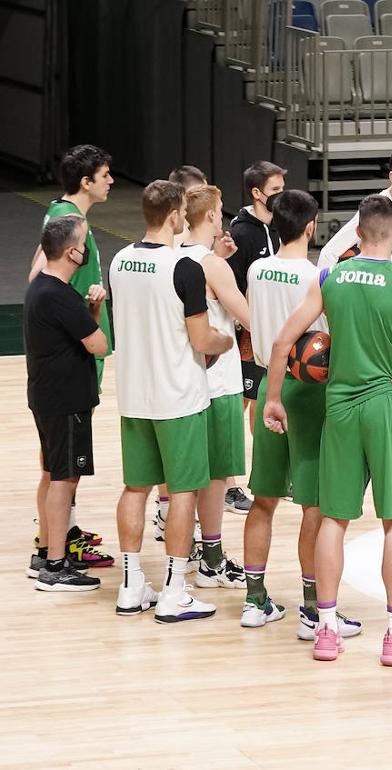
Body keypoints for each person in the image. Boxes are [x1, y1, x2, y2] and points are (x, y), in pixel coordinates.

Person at [264, 194, 392, 665]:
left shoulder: (329, 277)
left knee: (334, 518)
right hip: (389, 405)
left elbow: (285, 340)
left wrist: (271, 398)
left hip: (341, 407)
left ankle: (326, 629)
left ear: (356, 233)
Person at [110, 180, 234, 623]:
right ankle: (175, 589)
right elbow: (202, 338)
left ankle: (130, 586)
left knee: (135, 488)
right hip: (179, 396)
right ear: (175, 215)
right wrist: (226, 340)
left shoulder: (120, 260)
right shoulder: (184, 267)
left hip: (133, 394)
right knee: (183, 493)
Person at [242, 189, 363, 636]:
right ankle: (312, 611)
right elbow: (326, 339)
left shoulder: (256, 269)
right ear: (311, 227)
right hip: (308, 391)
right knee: (314, 505)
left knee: (264, 497)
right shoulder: (319, 276)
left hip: (265, 388)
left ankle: (255, 601)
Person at [317, 148, 392, 485]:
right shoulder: (375, 210)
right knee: (385, 389)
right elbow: (329, 253)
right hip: (380, 309)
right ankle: (378, 457)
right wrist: (332, 303)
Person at [26, 145, 116, 569]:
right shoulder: (66, 221)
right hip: (72, 358)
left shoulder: (69, 216)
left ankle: (59, 538)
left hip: (71, 355)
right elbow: (38, 276)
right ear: (86, 181)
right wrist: (74, 318)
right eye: (105, 174)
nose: (111, 180)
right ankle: (58, 548)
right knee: (62, 466)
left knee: (58, 462)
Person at [179, 185, 250, 590]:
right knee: (218, 477)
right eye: (220, 209)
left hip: (185, 381)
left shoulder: (176, 256)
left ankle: (190, 552)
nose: (222, 216)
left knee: (190, 475)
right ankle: (212, 559)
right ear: (209, 217)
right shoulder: (212, 265)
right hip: (219, 381)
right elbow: (246, 316)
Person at [228, 161, 286, 439]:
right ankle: (221, 470)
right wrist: (245, 325)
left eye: (282, 189)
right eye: (275, 190)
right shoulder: (241, 233)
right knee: (242, 398)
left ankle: (262, 463)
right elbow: (232, 285)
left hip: (276, 329)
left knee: (265, 395)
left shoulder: (281, 226)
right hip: (249, 332)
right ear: (256, 193)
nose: (280, 195)